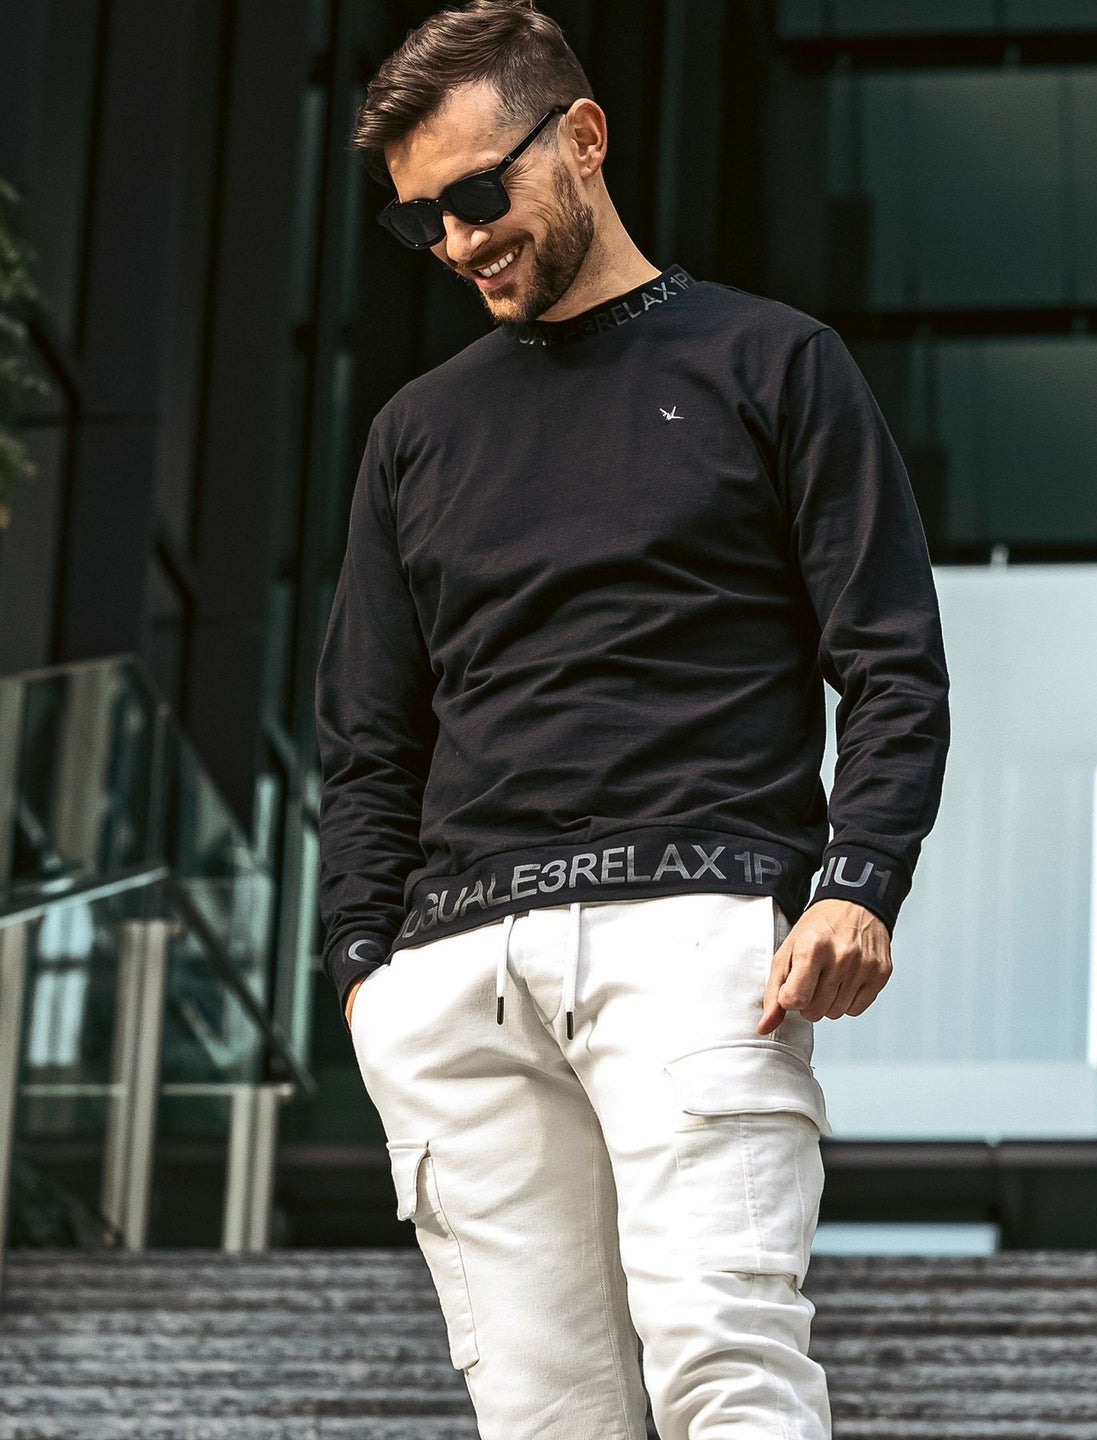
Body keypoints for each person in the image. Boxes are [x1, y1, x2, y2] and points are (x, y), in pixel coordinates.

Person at [315, 2, 951, 1436]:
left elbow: (893, 663)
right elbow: (367, 736)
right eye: (422, 221)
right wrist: (365, 970)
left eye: (480, 193)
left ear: (584, 139)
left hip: (694, 938)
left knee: (729, 1365)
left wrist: (859, 884)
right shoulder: (415, 432)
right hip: (455, 973)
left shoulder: (774, 363)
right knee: (545, 1419)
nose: (460, 241)